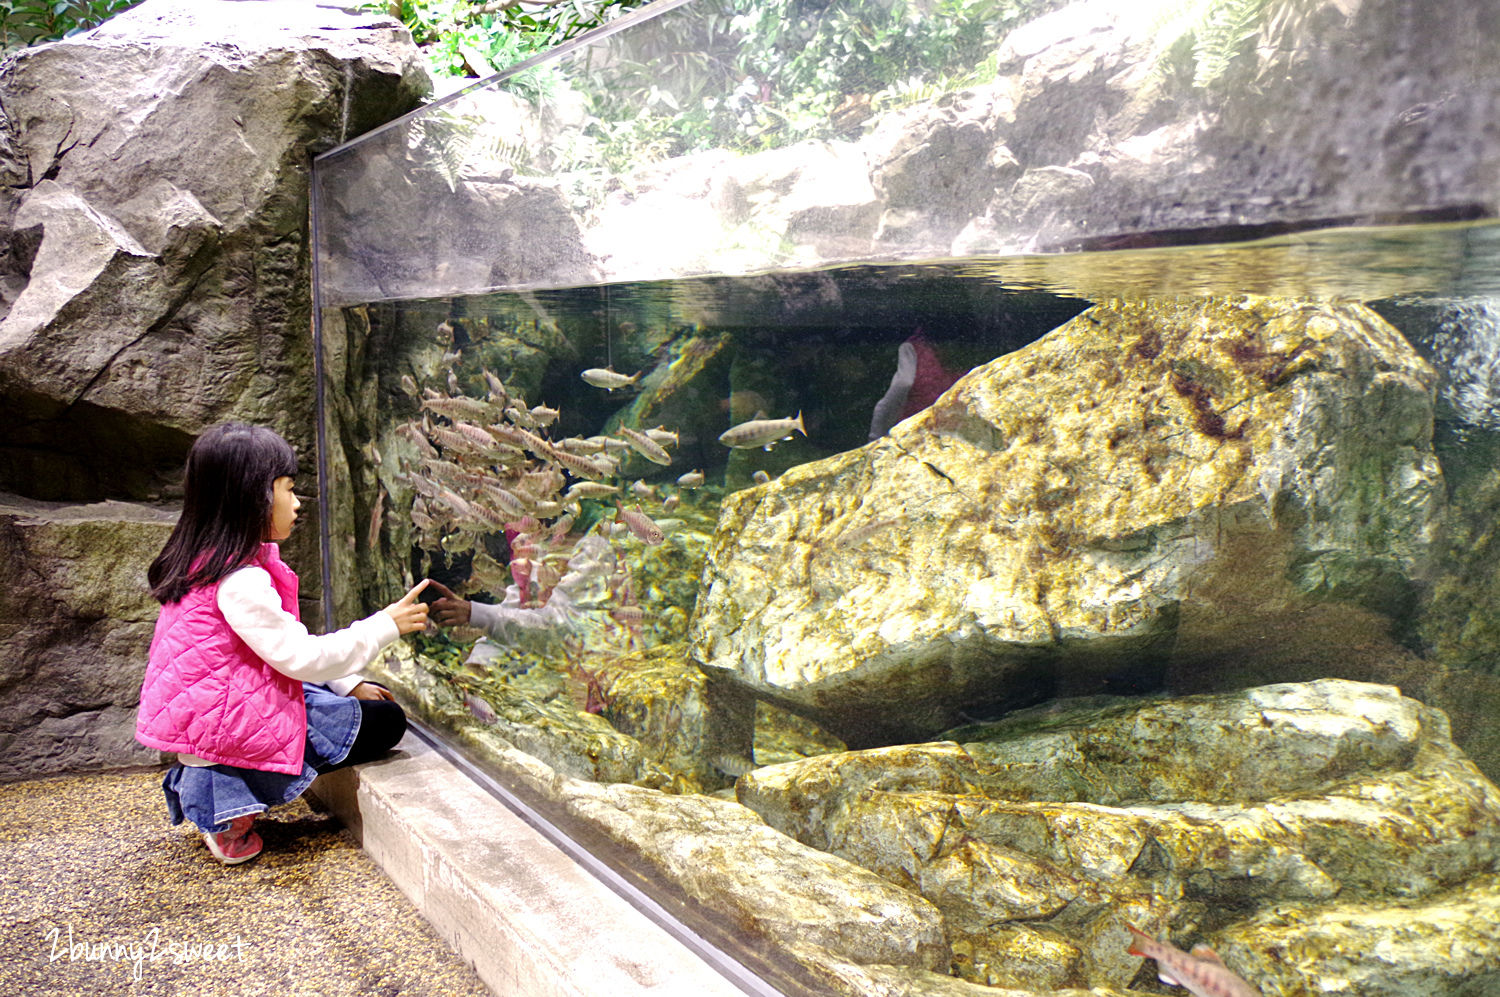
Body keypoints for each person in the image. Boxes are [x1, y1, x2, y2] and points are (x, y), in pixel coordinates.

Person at [135, 423, 430, 865]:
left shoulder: (207, 560)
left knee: (337, 696)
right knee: (386, 721)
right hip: (224, 734)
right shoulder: (240, 580)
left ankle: (224, 787)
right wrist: (383, 625)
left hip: (216, 715)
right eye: (287, 489)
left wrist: (344, 682)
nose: (297, 503)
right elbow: (301, 657)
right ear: (250, 496)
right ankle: (227, 810)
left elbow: (276, 650)